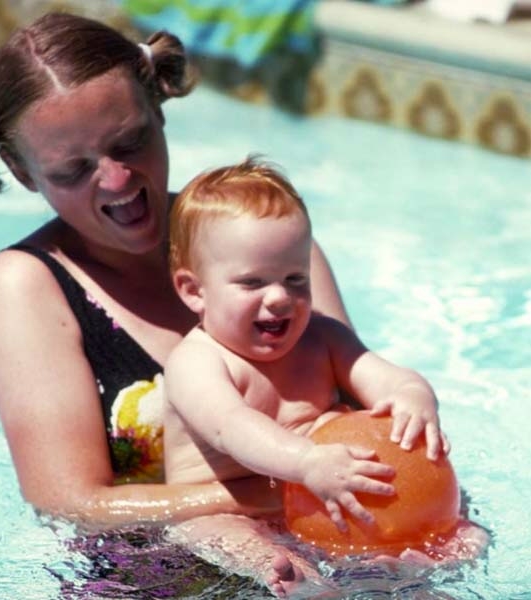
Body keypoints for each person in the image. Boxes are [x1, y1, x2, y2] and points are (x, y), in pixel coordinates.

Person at [0, 13, 351, 529]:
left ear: (158, 108)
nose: (115, 180)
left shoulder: (269, 243)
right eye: (73, 170)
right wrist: (285, 489)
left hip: (331, 540)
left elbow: (363, 414)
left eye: (130, 143)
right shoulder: (27, 285)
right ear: (24, 174)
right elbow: (72, 502)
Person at [162, 157, 474, 596]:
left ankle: (399, 572)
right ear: (194, 291)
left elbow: (382, 375)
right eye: (253, 283)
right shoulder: (196, 363)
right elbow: (232, 427)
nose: (280, 298)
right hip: (236, 511)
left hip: (324, 501)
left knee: (466, 536)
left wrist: (414, 396)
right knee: (236, 541)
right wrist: (306, 462)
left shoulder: (322, 337)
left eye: (295, 279)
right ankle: (300, 585)